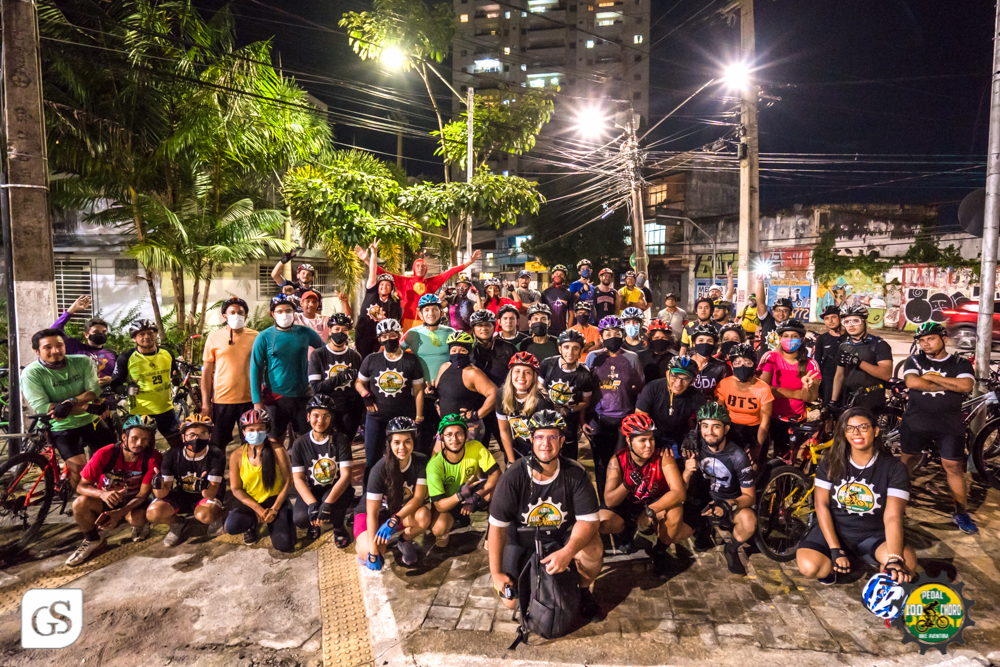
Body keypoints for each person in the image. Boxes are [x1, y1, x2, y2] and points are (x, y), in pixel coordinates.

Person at [487, 410, 603, 620]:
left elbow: (590, 522)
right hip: (521, 541)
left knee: (593, 546)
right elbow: (496, 527)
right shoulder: (512, 477)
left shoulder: (575, 473)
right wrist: (495, 573)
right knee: (510, 601)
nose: (545, 444)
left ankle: (584, 592)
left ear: (562, 441)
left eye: (552, 437)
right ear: (531, 440)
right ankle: (537, 588)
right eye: (539, 437)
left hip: (559, 539)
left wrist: (568, 552)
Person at [796, 408, 916, 585]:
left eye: (863, 427)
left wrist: (894, 559)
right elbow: (821, 505)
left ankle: (871, 563)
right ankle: (832, 566)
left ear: (875, 431)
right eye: (850, 428)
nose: (856, 433)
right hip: (837, 529)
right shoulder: (831, 462)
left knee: (906, 566)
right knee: (809, 567)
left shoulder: (894, 468)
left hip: (873, 533)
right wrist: (835, 548)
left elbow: (893, 516)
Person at [899, 322, 978, 534]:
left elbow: (966, 386)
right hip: (915, 422)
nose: (925, 344)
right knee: (906, 462)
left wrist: (931, 378)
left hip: (948, 424)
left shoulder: (960, 362)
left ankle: (961, 511)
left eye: (930, 339)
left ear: (944, 339)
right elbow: (912, 383)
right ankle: (897, 508)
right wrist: (947, 383)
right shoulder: (914, 359)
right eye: (921, 340)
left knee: (953, 467)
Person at [21, 328, 111, 489]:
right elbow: (46, 408)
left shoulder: (82, 361)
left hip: (90, 420)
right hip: (60, 426)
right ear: (37, 351)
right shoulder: (31, 373)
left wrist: (70, 402)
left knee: (110, 460)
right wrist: (85, 405)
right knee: (81, 469)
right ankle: (82, 503)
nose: (55, 351)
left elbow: (93, 391)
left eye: (59, 345)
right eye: (47, 347)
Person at [66, 415, 161, 566]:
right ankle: (92, 540)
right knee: (79, 503)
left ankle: (137, 524)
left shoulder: (153, 457)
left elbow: (143, 495)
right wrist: (102, 494)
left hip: (134, 501)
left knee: (138, 519)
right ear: (124, 437)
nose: (139, 443)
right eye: (135, 438)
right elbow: (81, 486)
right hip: (107, 499)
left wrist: (120, 513)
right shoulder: (104, 453)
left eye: (145, 439)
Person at [601, 413, 686, 577]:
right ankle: (626, 532)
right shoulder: (617, 461)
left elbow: (679, 492)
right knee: (601, 521)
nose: (649, 445)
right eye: (642, 440)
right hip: (627, 507)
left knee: (676, 510)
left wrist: (650, 510)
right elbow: (609, 501)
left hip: (653, 506)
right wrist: (627, 484)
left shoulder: (663, 458)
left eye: (651, 439)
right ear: (629, 441)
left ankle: (660, 551)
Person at [678, 402, 757, 576]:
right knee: (675, 533)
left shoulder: (738, 456)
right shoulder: (694, 447)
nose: (710, 432)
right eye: (705, 426)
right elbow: (680, 491)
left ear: (726, 429)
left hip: (727, 500)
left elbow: (750, 497)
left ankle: (731, 549)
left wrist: (728, 504)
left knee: (749, 521)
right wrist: (686, 472)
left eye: (716, 427)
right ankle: (702, 529)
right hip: (701, 501)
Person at [354, 416, 431, 569]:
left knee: (424, 516)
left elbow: (417, 498)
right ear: (389, 443)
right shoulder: (379, 469)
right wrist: (374, 553)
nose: (402, 447)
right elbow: (372, 513)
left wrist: (394, 520)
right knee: (372, 551)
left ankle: (404, 540)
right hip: (374, 514)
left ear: (413, 442)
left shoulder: (421, 461)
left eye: (407, 441)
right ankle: (364, 547)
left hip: (397, 514)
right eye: (397, 442)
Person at [250, 295, 326, 448]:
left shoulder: (305, 333)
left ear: (294, 312)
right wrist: (257, 401)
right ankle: (278, 470)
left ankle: (301, 471)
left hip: (303, 395)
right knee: (275, 440)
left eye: (288, 310)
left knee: (305, 439)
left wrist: (316, 381)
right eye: (280, 311)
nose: (284, 314)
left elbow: (324, 354)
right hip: (276, 397)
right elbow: (255, 368)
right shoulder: (263, 337)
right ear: (272, 313)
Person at [583, 316, 645, 501]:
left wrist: (636, 418)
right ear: (601, 336)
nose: (612, 337)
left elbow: (640, 388)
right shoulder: (593, 357)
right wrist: (583, 420)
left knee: (620, 462)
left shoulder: (632, 358)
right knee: (600, 464)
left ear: (622, 335)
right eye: (608, 333)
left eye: (616, 333)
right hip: (598, 419)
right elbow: (586, 389)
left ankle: (620, 502)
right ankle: (603, 502)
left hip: (623, 419)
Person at [357, 318, 425, 486]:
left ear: (399, 335)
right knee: (372, 459)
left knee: (403, 457)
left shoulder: (411, 360)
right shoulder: (372, 360)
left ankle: (404, 491)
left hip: (403, 418)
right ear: (379, 339)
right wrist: (365, 394)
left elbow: (418, 390)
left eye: (392, 335)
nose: (388, 339)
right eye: (384, 336)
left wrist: (418, 416)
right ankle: (368, 496)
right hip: (376, 417)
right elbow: (359, 382)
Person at [356, 244, 482, 331]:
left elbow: (450, 272)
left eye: (423, 266)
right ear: (413, 268)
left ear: (426, 269)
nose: (420, 268)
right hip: (407, 320)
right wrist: (366, 259)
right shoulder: (403, 281)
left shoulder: (432, 282)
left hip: (427, 320)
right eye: (418, 266)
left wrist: (469, 262)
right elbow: (381, 271)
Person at [147, 414, 226, 547]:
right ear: (183, 438)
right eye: (191, 434)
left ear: (209, 436)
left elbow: (211, 493)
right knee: (153, 513)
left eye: (202, 434)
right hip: (183, 492)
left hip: (207, 494)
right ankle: (177, 523)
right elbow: (162, 494)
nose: (197, 438)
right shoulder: (172, 456)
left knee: (205, 515)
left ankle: (215, 519)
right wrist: (157, 485)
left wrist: (204, 486)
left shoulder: (216, 455)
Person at [427, 413, 501, 550]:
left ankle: (492, 533)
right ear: (441, 437)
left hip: (472, 495)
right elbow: (439, 506)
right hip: (449, 502)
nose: (454, 439)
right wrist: (460, 496)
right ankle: (452, 524)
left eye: (459, 434)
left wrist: (475, 496)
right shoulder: (434, 465)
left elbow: (496, 474)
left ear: (466, 435)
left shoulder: (476, 447)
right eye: (449, 435)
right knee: (438, 529)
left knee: (499, 491)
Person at [290, 395, 356, 547]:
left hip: (337, 488)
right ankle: (315, 521)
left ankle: (338, 527)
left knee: (332, 508)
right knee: (301, 518)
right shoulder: (300, 444)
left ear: (332, 418)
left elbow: (345, 476)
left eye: (326, 416)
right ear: (308, 417)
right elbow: (298, 478)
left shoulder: (341, 440)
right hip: (313, 490)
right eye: (316, 416)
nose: (320, 420)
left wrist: (327, 504)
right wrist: (312, 504)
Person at [225, 408, 295, 551]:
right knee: (232, 526)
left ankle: (280, 519)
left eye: (260, 429)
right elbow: (236, 488)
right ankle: (252, 524)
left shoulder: (277, 450)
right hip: (252, 502)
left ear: (267, 430)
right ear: (243, 431)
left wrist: (274, 509)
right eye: (250, 430)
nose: (255, 433)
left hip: (275, 501)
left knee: (284, 545)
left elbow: (288, 481)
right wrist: (257, 509)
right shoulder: (236, 456)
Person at [110, 319, 182, 450]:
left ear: (156, 335)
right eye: (141, 334)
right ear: (134, 339)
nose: (147, 337)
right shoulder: (126, 358)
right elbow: (114, 384)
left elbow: (175, 373)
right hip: (140, 412)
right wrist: (127, 390)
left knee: (179, 447)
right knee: (142, 450)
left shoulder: (167, 353)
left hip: (165, 409)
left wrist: (177, 378)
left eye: (150, 333)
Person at [401, 294, 455, 454]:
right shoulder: (412, 333)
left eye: (434, 309)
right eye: (426, 310)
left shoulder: (451, 332)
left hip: (445, 395)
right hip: (419, 396)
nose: (430, 313)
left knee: (448, 437)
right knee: (421, 439)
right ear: (420, 313)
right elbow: (396, 355)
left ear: (441, 312)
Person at [758, 319, 821, 455]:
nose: (790, 340)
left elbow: (812, 396)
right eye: (786, 336)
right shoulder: (770, 357)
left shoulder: (811, 365)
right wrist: (797, 394)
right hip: (769, 416)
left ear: (802, 339)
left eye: (794, 336)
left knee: (784, 458)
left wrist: (805, 388)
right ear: (780, 339)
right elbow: (762, 389)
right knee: (760, 454)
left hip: (795, 420)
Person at [201, 297, 258, 448]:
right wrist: (206, 404)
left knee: (251, 442)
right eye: (232, 312)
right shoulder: (213, 338)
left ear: (245, 315)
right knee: (217, 444)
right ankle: (215, 472)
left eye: (240, 312)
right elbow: (206, 373)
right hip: (222, 401)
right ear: (224, 316)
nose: (236, 315)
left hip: (249, 400)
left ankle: (249, 471)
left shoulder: (256, 337)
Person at [308, 313, 365, 443]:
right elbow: (316, 388)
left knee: (346, 446)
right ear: (329, 330)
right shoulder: (318, 355)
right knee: (329, 447)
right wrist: (341, 377)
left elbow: (359, 384)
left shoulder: (355, 356)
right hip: (328, 410)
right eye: (337, 329)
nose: (340, 332)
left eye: (344, 329)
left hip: (350, 411)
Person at [539, 330, 595, 461]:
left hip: (570, 421)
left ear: (581, 351)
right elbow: (538, 387)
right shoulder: (548, 364)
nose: (570, 352)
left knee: (569, 458)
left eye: (575, 348)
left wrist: (569, 409)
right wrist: (549, 402)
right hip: (546, 418)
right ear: (559, 348)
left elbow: (586, 402)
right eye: (566, 347)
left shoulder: (584, 373)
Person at [635, 356, 705, 455]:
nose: (678, 382)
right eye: (675, 376)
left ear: (692, 381)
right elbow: (640, 418)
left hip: (682, 434)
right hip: (654, 434)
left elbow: (705, 421)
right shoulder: (652, 388)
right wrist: (654, 439)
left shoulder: (697, 396)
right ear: (667, 374)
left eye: (685, 378)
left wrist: (693, 435)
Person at [715, 343, 772, 463]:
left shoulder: (763, 388)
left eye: (747, 362)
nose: (742, 366)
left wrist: (757, 447)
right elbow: (718, 414)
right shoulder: (725, 384)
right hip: (732, 429)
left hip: (755, 432)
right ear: (732, 365)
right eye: (738, 362)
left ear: (754, 365)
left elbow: (765, 423)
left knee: (754, 467)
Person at [434, 332, 497, 441]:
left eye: (462, 350)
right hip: (446, 425)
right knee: (439, 456)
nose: (457, 353)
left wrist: (476, 415)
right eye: (453, 350)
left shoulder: (473, 373)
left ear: (469, 352)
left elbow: (495, 393)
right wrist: (433, 394)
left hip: (468, 427)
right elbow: (442, 390)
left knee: (468, 458)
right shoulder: (444, 367)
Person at [830, 305, 892, 412]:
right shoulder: (843, 346)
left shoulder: (879, 344)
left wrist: (858, 362)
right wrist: (833, 401)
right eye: (847, 322)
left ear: (865, 322)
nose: (851, 325)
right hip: (849, 398)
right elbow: (839, 375)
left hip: (872, 399)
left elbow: (886, 374)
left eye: (856, 321)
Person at [470, 309, 517, 449]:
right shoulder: (468, 351)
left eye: (487, 325)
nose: (483, 328)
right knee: (478, 450)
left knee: (509, 447)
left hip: (503, 405)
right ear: (473, 328)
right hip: (477, 407)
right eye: (479, 325)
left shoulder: (508, 348)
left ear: (494, 327)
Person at [496, 352, 552, 465]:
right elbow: (504, 430)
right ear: (510, 374)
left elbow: (545, 439)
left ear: (534, 377)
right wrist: (511, 461)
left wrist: (540, 461)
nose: (521, 376)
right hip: (516, 448)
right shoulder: (501, 394)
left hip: (539, 449)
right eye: (517, 371)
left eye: (527, 373)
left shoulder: (542, 401)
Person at [52, 294, 117, 386]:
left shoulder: (112, 354)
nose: (101, 334)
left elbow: (120, 376)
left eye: (104, 332)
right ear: (86, 335)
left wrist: (112, 380)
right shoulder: (75, 348)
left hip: (106, 398)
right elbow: (53, 332)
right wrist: (71, 310)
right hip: (80, 397)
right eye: (96, 331)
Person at [356, 242, 403, 358]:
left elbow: (393, 323)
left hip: (381, 338)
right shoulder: (371, 293)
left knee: (379, 362)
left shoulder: (394, 303)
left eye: (388, 285)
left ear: (392, 288)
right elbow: (373, 272)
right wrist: (373, 253)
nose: (384, 287)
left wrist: (383, 344)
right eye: (382, 284)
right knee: (363, 362)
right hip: (364, 335)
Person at [687, 324, 732, 400]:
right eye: (701, 340)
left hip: (711, 410)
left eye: (710, 341)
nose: (705, 343)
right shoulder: (684, 364)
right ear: (694, 343)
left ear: (714, 344)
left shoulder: (721, 366)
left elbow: (726, 392)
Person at [814, 305, 847, 406]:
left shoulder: (850, 336)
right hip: (828, 381)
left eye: (833, 317)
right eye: (826, 318)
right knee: (828, 412)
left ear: (840, 318)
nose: (830, 321)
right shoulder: (822, 339)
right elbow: (817, 363)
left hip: (848, 380)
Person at [754, 274, 794, 340]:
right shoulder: (767, 321)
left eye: (785, 311)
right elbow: (760, 303)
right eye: (778, 310)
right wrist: (760, 282)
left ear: (790, 313)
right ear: (773, 311)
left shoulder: (792, 328)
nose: (781, 314)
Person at [540, 264, 575, 335]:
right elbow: (542, 312)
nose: (558, 275)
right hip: (548, 329)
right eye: (556, 273)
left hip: (562, 329)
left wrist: (569, 329)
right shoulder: (545, 293)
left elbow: (571, 314)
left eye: (561, 274)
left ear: (564, 277)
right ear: (552, 276)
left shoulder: (568, 293)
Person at [637, 319, 675, 384]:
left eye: (663, 338)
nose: (660, 340)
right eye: (656, 338)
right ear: (650, 339)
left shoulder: (674, 359)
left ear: (669, 339)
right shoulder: (640, 357)